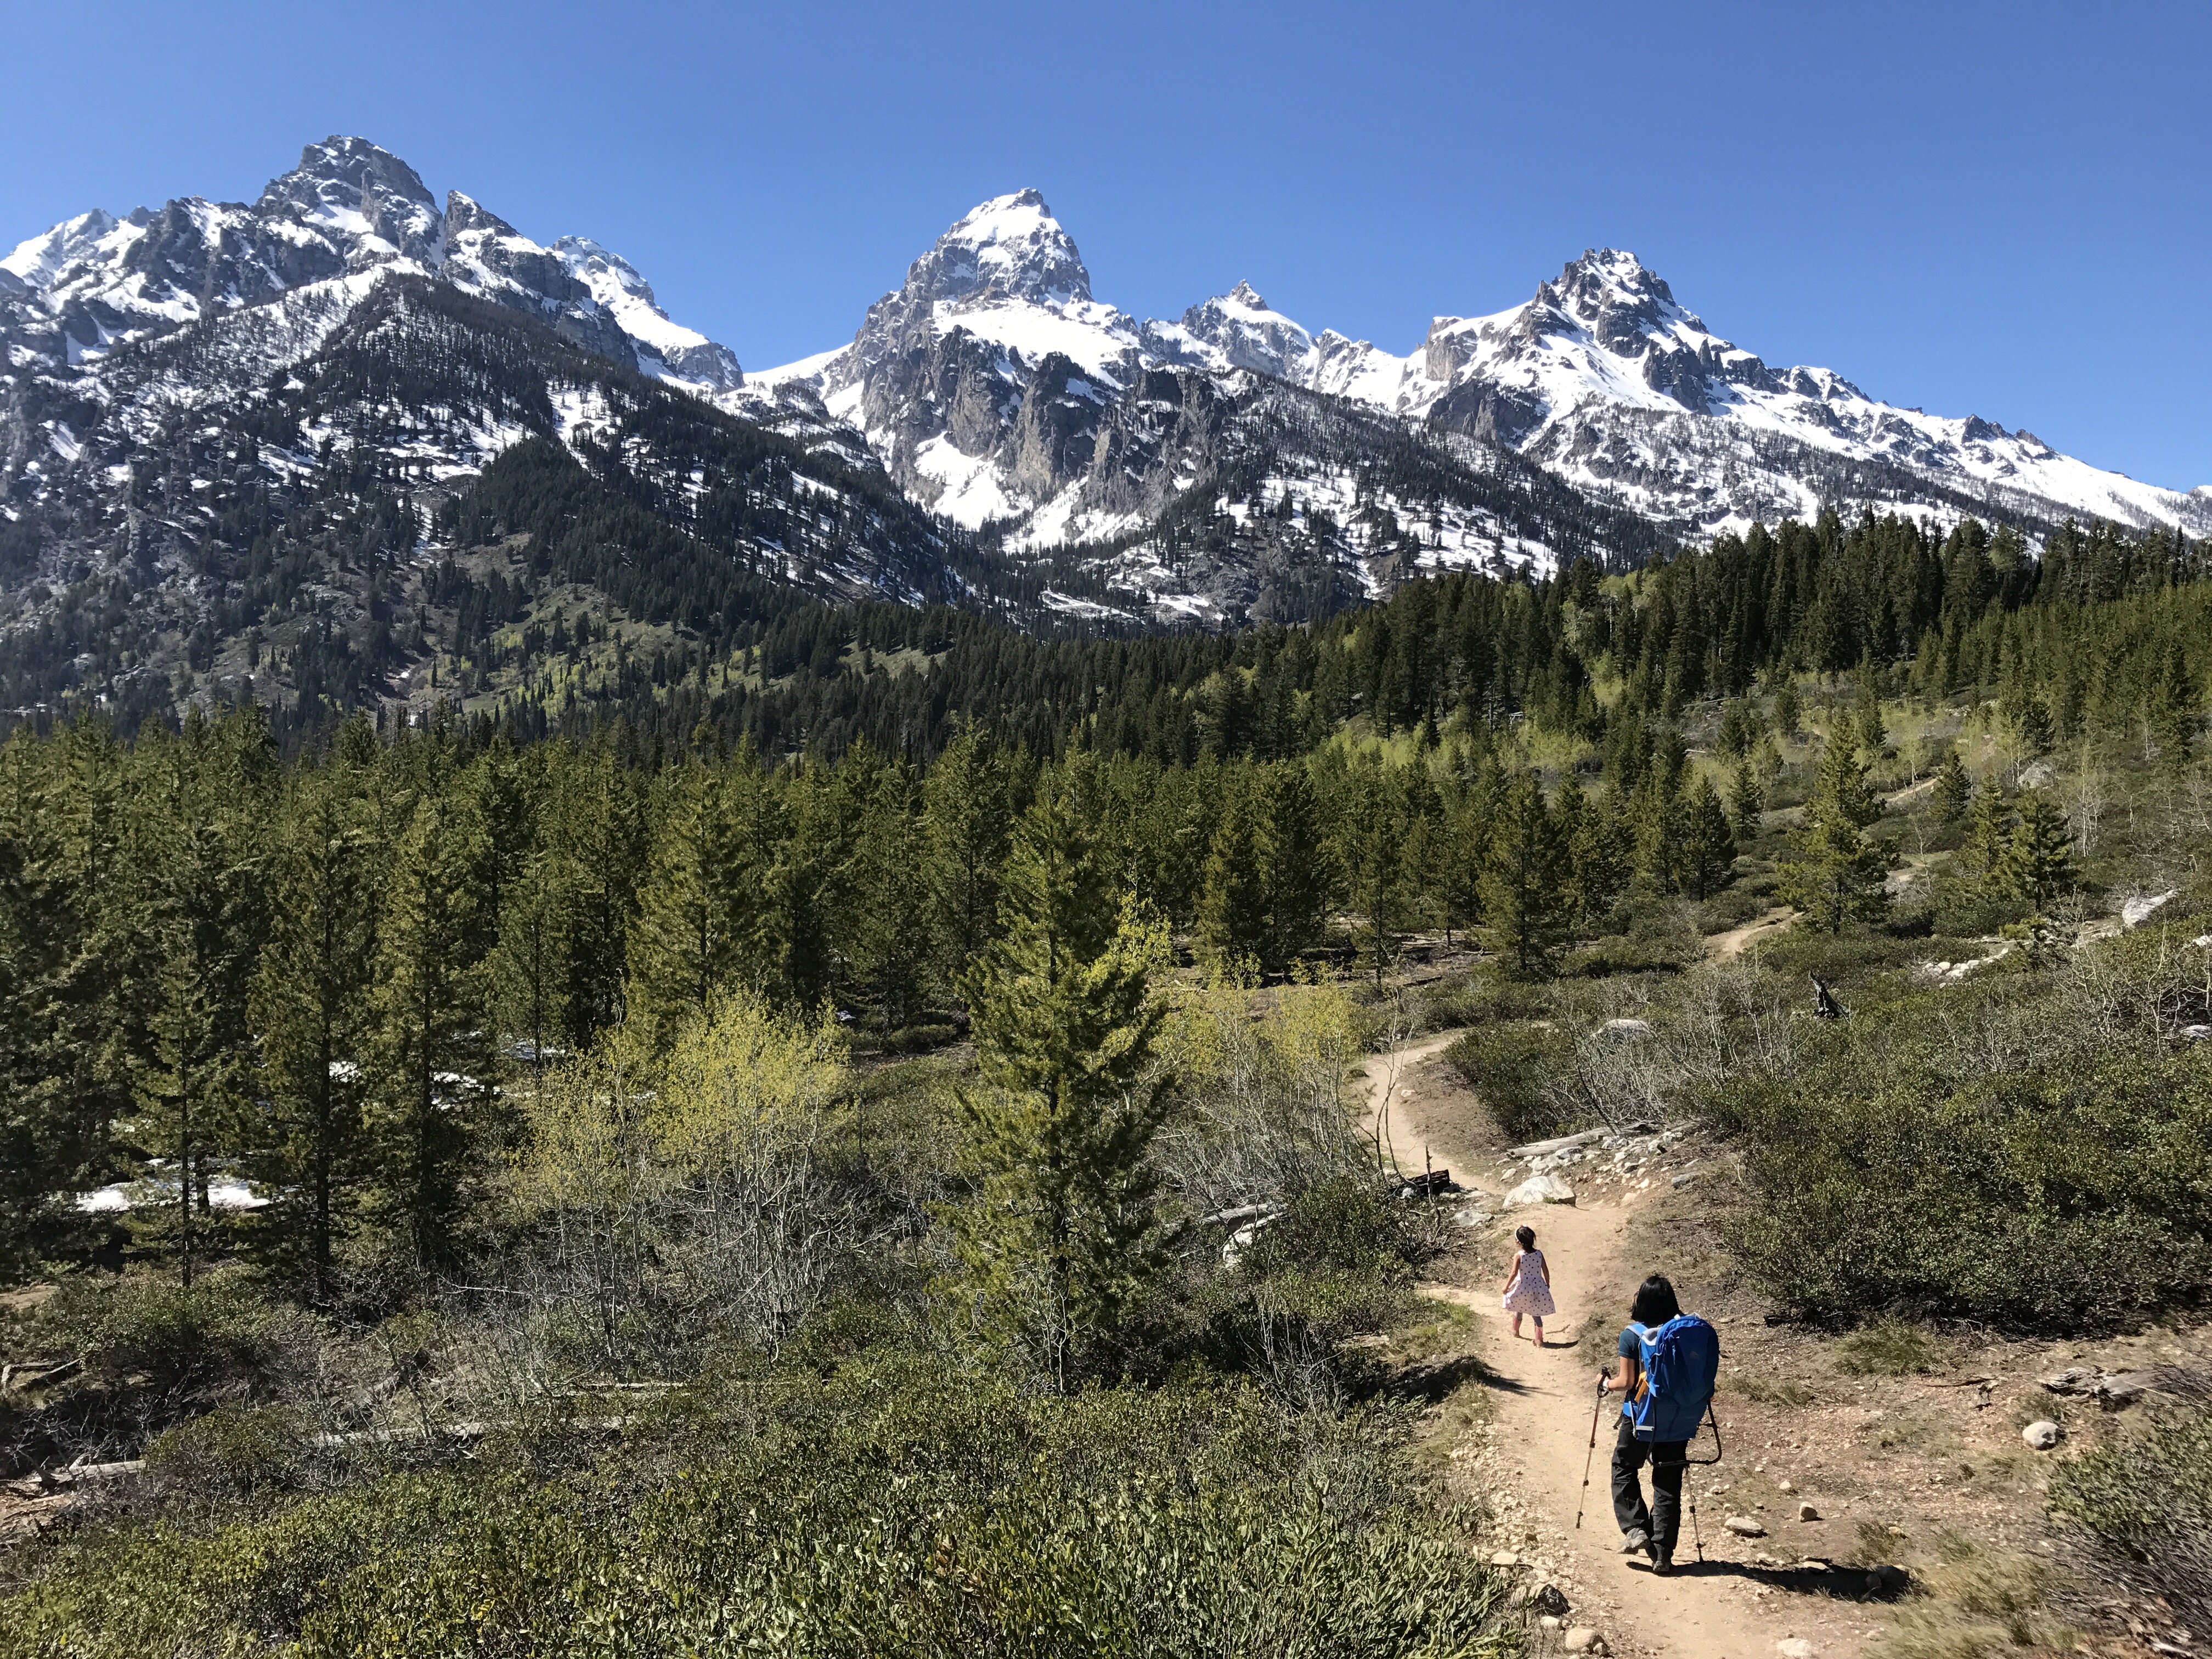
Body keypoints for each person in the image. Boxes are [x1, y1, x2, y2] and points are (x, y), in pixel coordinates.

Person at [1599, 1273, 1688, 1573]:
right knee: (1668, 1481)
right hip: (1678, 1419)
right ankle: (1663, 1554)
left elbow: (1626, 1382)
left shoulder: (1633, 1335)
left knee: (1624, 1466)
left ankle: (1636, 1528)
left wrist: (1605, 1383)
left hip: (1641, 1417)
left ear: (1642, 1302)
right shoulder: (1682, 1331)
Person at [1498, 1223, 1555, 1346]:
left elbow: (1514, 1273)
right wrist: (1547, 1283)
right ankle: (1539, 1339)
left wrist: (1506, 1287)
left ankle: (1515, 1330)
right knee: (1536, 1313)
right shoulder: (1539, 1254)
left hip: (1522, 1287)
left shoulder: (1519, 1256)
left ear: (1518, 1242)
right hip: (1537, 1287)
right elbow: (1545, 1270)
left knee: (1518, 1306)